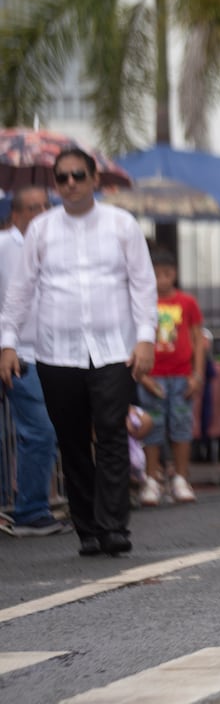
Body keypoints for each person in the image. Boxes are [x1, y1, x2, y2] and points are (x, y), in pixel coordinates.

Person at [0, 148, 157, 557]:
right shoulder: (41, 229)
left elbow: (143, 284)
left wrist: (145, 337)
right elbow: (20, 290)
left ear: (94, 180)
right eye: (63, 177)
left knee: (111, 434)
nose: (70, 183)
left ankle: (114, 526)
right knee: (70, 441)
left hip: (114, 350)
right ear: (56, 184)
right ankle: (88, 527)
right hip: (56, 353)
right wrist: (7, 342)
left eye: (78, 175)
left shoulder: (122, 224)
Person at [0, 186, 69, 537]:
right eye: (32, 207)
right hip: (16, 354)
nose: (41, 213)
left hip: (49, 353)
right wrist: (6, 345)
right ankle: (29, 510)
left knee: (41, 430)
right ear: (15, 215)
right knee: (39, 430)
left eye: (46, 205)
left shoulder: (56, 247)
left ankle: (28, 508)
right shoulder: (3, 247)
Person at [138, 249, 205, 506]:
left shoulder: (187, 303)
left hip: (181, 377)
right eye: (156, 275)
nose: (162, 280)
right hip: (152, 377)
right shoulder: (143, 303)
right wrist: (142, 377)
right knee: (151, 427)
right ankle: (151, 480)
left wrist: (197, 375)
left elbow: (198, 340)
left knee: (181, 426)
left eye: (166, 274)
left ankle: (181, 478)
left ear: (174, 274)